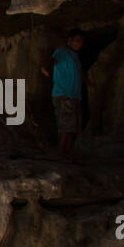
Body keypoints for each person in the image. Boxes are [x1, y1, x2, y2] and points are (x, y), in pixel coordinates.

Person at [41, 28, 85, 157]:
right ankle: (62, 151)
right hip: (64, 93)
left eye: (81, 41)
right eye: (77, 41)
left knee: (72, 124)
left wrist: (90, 83)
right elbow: (53, 60)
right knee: (66, 123)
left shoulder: (75, 56)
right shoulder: (62, 51)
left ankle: (68, 150)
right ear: (69, 40)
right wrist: (46, 68)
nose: (80, 43)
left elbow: (79, 73)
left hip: (74, 94)